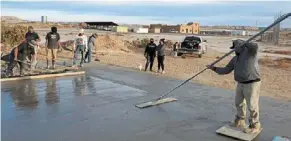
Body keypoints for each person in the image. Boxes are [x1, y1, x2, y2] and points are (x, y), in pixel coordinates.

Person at [207, 39, 261, 134]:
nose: (234, 50)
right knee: (238, 103)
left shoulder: (251, 53)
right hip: (240, 83)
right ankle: (240, 120)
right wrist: (214, 68)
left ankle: (255, 125)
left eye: (235, 48)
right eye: (234, 49)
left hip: (252, 83)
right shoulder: (235, 59)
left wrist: (245, 43)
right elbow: (226, 70)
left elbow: (255, 46)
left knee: (252, 105)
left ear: (241, 47)